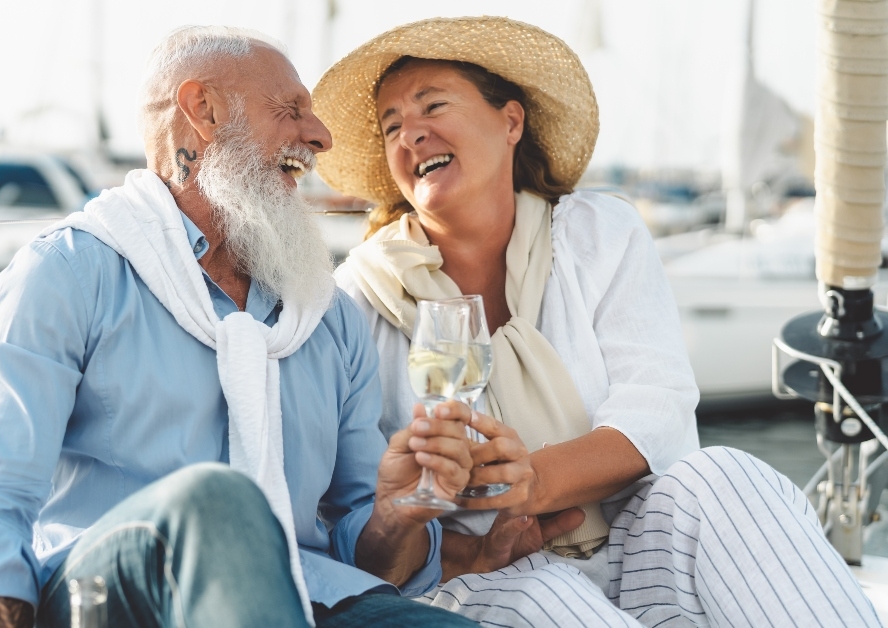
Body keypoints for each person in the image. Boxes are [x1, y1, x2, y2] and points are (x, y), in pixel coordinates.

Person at [312, 16, 879, 627]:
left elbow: (656, 404)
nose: (410, 135)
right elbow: (359, 520)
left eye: (432, 106)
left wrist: (535, 479)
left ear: (510, 121)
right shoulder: (357, 299)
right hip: (482, 572)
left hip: (630, 536)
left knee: (727, 474)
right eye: (392, 125)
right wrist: (473, 543)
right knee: (548, 596)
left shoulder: (598, 234)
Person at [0, 26, 488, 628]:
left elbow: (372, 558)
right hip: (109, 596)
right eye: (291, 110)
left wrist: (397, 512)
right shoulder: (67, 273)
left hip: (306, 593)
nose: (320, 136)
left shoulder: (327, 315)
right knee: (216, 501)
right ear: (204, 111)